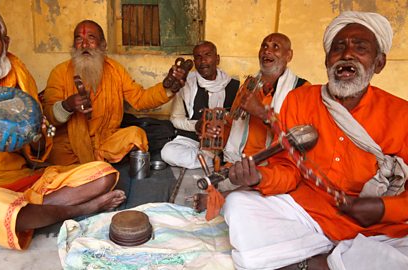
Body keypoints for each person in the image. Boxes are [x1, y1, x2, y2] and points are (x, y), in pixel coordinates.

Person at [0, 3, 126, 252]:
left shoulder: (18, 76)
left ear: (5, 42)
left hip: (24, 179)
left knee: (103, 175)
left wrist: (31, 129)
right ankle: (78, 209)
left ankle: (13, 217)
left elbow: (41, 147)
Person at [224, 11, 408, 269]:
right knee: (238, 205)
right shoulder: (300, 99)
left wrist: (382, 209)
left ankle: (309, 260)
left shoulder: (401, 114)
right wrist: (259, 178)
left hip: (376, 229)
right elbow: (288, 168)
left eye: (361, 48)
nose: (347, 54)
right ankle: (327, 258)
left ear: (379, 63)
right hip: (309, 214)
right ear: (327, 59)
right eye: (338, 48)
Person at [42, 20, 187, 166]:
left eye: (91, 38)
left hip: (105, 140)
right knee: (56, 156)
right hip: (70, 145)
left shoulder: (115, 70)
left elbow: (140, 99)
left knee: (136, 135)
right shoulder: (59, 72)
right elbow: (48, 115)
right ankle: (99, 169)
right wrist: (67, 105)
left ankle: (97, 167)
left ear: (103, 45)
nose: (84, 45)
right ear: (74, 45)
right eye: (79, 39)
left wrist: (167, 88)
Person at [193, 33, 308, 212]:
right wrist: (215, 130)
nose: (267, 51)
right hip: (236, 161)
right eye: (264, 46)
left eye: (275, 47)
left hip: (271, 165)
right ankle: (235, 192)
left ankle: (225, 198)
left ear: (289, 55)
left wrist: (262, 113)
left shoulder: (302, 90)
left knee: (283, 179)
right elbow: (232, 122)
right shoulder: (249, 85)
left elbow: (300, 138)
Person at [160, 41, 239, 169]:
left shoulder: (234, 86)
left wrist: (219, 129)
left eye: (207, 55)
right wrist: (197, 126)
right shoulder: (185, 84)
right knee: (167, 152)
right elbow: (175, 119)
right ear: (194, 62)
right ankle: (211, 160)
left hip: (223, 143)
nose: (203, 61)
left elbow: (239, 123)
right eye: (198, 57)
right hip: (192, 141)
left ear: (217, 59)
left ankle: (210, 158)